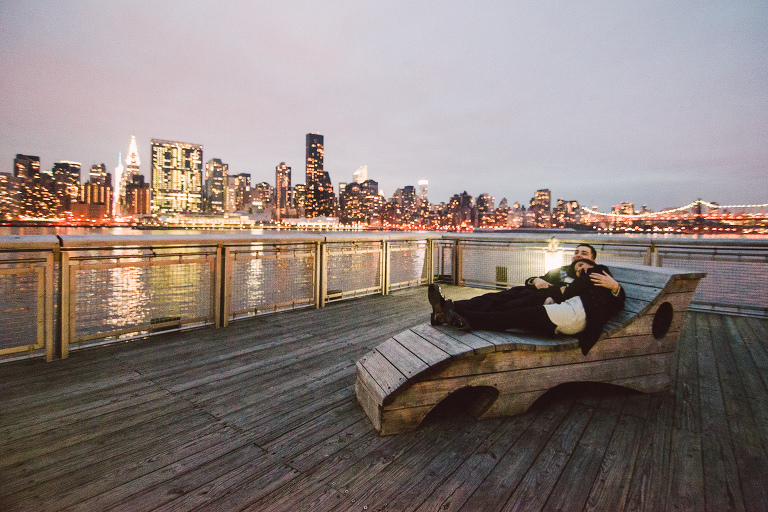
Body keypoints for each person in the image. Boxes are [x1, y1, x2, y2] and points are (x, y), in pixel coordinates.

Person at [428, 259, 625, 355]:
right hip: (556, 308)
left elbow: (610, 301)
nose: (581, 268)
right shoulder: (566, 274)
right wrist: (536, 280)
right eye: (578, 264)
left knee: (513, 314)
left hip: (562, 312)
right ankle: (449, 311)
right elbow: (539, 280)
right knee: (503, 304)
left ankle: (457, 314)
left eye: (585, 264)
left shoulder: (597, 277)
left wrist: (615, 287)